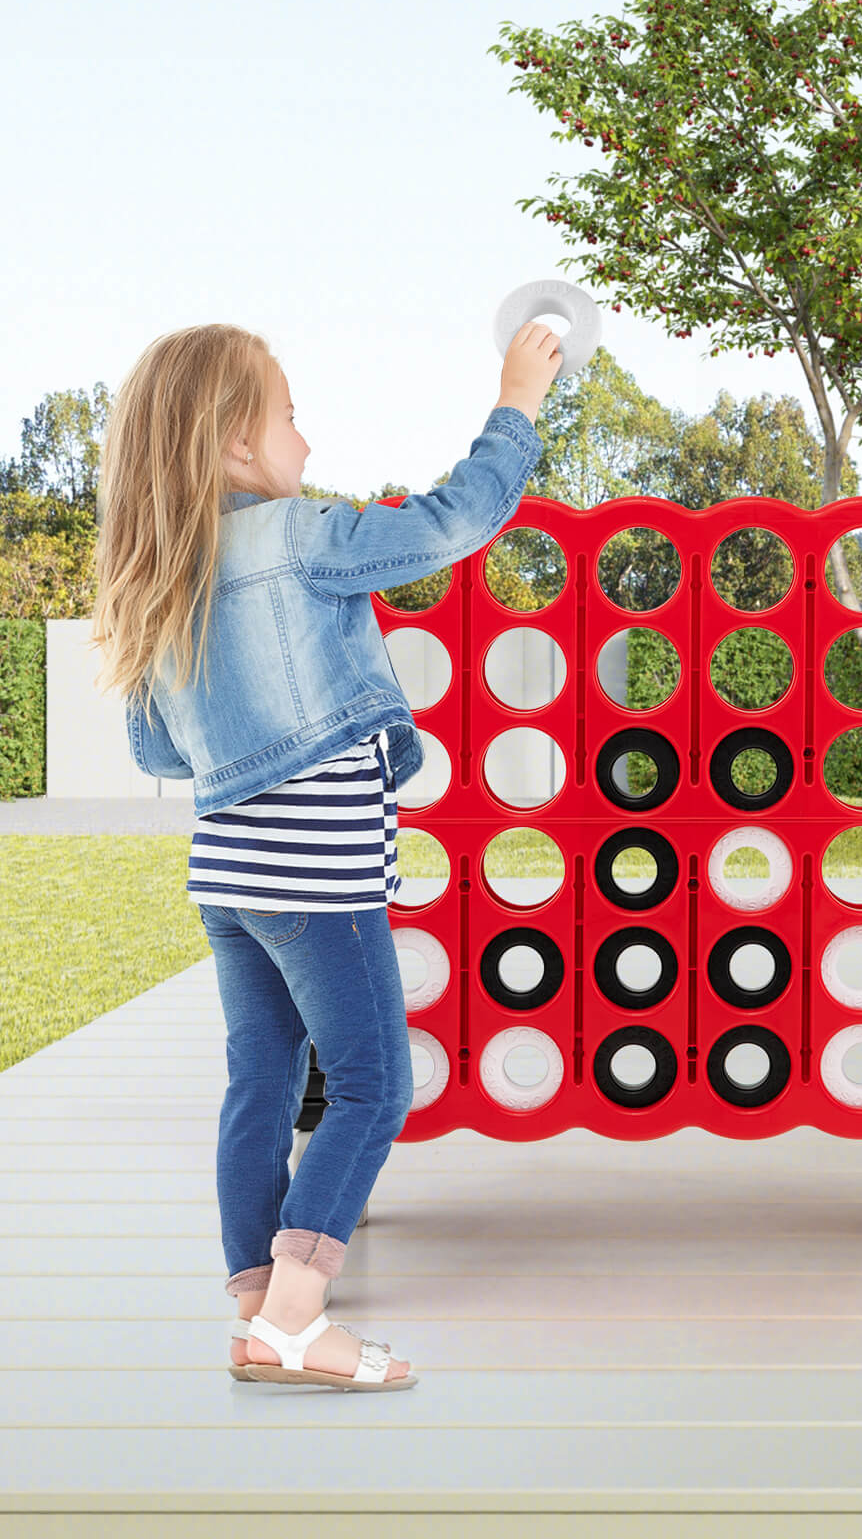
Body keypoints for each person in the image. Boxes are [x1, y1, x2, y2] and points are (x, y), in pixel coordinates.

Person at [89, 318, 564, 1389]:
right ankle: (299, 1325)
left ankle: (258, 1305)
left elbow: (158, 744)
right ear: (233, 446)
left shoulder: (166, 574)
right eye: (290, 413)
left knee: (261, 1078)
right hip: (316, 873)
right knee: (372, 1085)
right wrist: (517, 402)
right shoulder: (300, 535)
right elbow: (450, 525)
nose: (307, 435)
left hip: (228, 875)